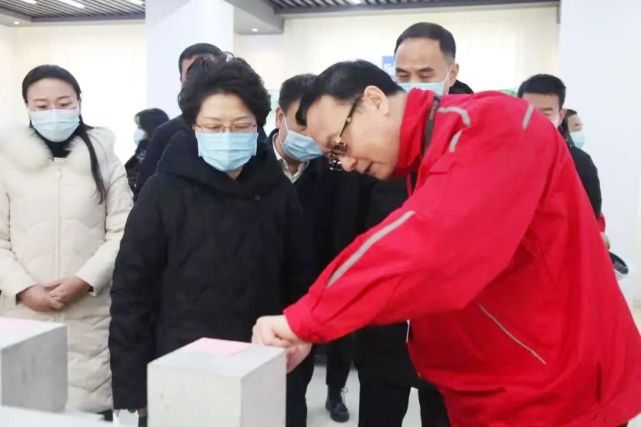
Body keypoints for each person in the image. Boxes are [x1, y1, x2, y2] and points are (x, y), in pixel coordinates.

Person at [252, 60, 641, 427]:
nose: (347, 163)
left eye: (340, 145)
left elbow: (428, 244)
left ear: (374, 101)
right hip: (505, 385)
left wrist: (306, 319)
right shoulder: (427, 154)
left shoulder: (496, 124)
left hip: (559, 392)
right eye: (334, 158)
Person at [109, 57, 315, 427]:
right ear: (193, 127)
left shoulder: (277, 190)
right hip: (181, 364)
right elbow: (131, 293)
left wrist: (297, 371)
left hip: (263, 361)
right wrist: (134, 388)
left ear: (258, 125)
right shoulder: (163, 191)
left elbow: (300, 282)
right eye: (214, 126)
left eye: (240, 126)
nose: (227, 135)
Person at [0, 65, 132, 420]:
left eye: (64, 103)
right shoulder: (5, 162)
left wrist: (84, 280)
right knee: (24, 411)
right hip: (23, 313)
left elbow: (123, 231)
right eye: (41, 106)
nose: (54, 112)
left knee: (87, 411)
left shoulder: (105, 160)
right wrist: (24, 289)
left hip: (90, 313)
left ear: (79, 103)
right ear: (27, 107)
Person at [355, 22, 457, 427]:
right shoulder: (375, 142)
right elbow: (354, 233)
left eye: (425, 74)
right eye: (402, 75)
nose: (413, 85)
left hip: (451, 333)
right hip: (383, 327)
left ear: (452, 73)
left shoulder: (473, 139)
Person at [270, 74, 365, 423]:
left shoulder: (339, 173)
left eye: (318, 127)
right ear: (280, 117)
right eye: (301, 124)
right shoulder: (248, 167)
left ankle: (334, 390)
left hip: (310, 301)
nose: (309, 136)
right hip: (255, 302)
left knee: (293, 398)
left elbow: (345, 234)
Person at [134, 43, 226, 198]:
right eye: (192, 74)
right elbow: (145, 193)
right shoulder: (166, 133)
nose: (200, 81)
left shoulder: (245, 130)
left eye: (207, 72)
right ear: (182, 80)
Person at [518, 74, 602, 219]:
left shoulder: (579, 162)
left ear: (561, 115)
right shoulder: (502, 157)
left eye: (546, 113)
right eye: (529, 113)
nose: (537, 120)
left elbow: (590, 218)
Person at [125, 108, 169, 191]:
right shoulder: (140, 153)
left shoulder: (164, 158)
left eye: (140, 127)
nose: (137, 131)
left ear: (151, 128)